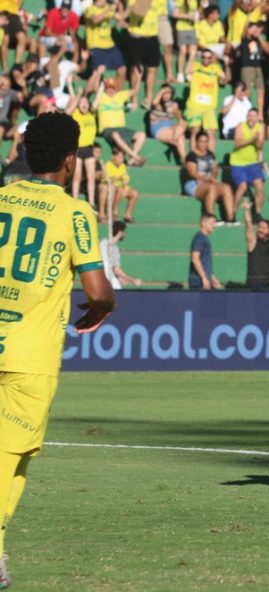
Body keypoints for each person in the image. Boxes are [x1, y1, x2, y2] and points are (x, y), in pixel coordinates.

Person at [0, 111, 115, 589]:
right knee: (11, 453)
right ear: (70, 160)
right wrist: (102, 307)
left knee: (14, 457)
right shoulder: (74, 212)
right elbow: (97, 289)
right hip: (29, 357)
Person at [183, 131, 235, 222]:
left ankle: (230, 219)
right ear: (196, 142)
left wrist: (214, 174)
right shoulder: (191, 156)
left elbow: (215, 170)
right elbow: (193, 174)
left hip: (208, 182)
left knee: (226, 187)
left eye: (206, 142)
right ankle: (210, 217)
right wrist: (208, 179)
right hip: (194, 184)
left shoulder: (210, 154)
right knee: (212, 188)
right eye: (201, 142)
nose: (204, 144)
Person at [230, 109, 265, 215]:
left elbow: (260, 146)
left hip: (253, 162)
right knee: (242, 186)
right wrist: (252, 139)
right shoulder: (241, 126)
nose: (251, 118)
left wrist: (260, 159)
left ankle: (258, 213)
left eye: (254, 116)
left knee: (259, 187)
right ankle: (232, 212)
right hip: (238, 163)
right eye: (249, 115)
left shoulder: (260, 127)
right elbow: (237, 143)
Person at [99, 146, 139, 223]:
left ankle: (127, 215)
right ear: (113, 156)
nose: (121, 159)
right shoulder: (108, 165)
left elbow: (126, 179)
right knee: (118, 189)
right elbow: (107, 180)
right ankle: (113, 213)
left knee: (135, 193)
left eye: (122, 157)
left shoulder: (122, 166)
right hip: (112, 189)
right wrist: (118, 178)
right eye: (119, 157)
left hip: (121, 188)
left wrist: (119, 179)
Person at [100, 220, 142, 289]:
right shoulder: (111, 247)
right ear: (120, 233)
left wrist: (120, 278)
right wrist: (133, 280)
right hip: (106, 278)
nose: (125, 234)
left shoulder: (103, 243)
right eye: (124, 232)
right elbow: (116, 270)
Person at [189, 213, 222, 290]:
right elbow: (195, 258)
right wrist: (203, 277)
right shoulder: (199, 238)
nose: (214, 226)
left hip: (205, 280)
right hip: (199, 281)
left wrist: (211, 277)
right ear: (203, 223)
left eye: (215, 223)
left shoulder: (204, 238)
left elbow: (204, 261)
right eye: (212, 223)